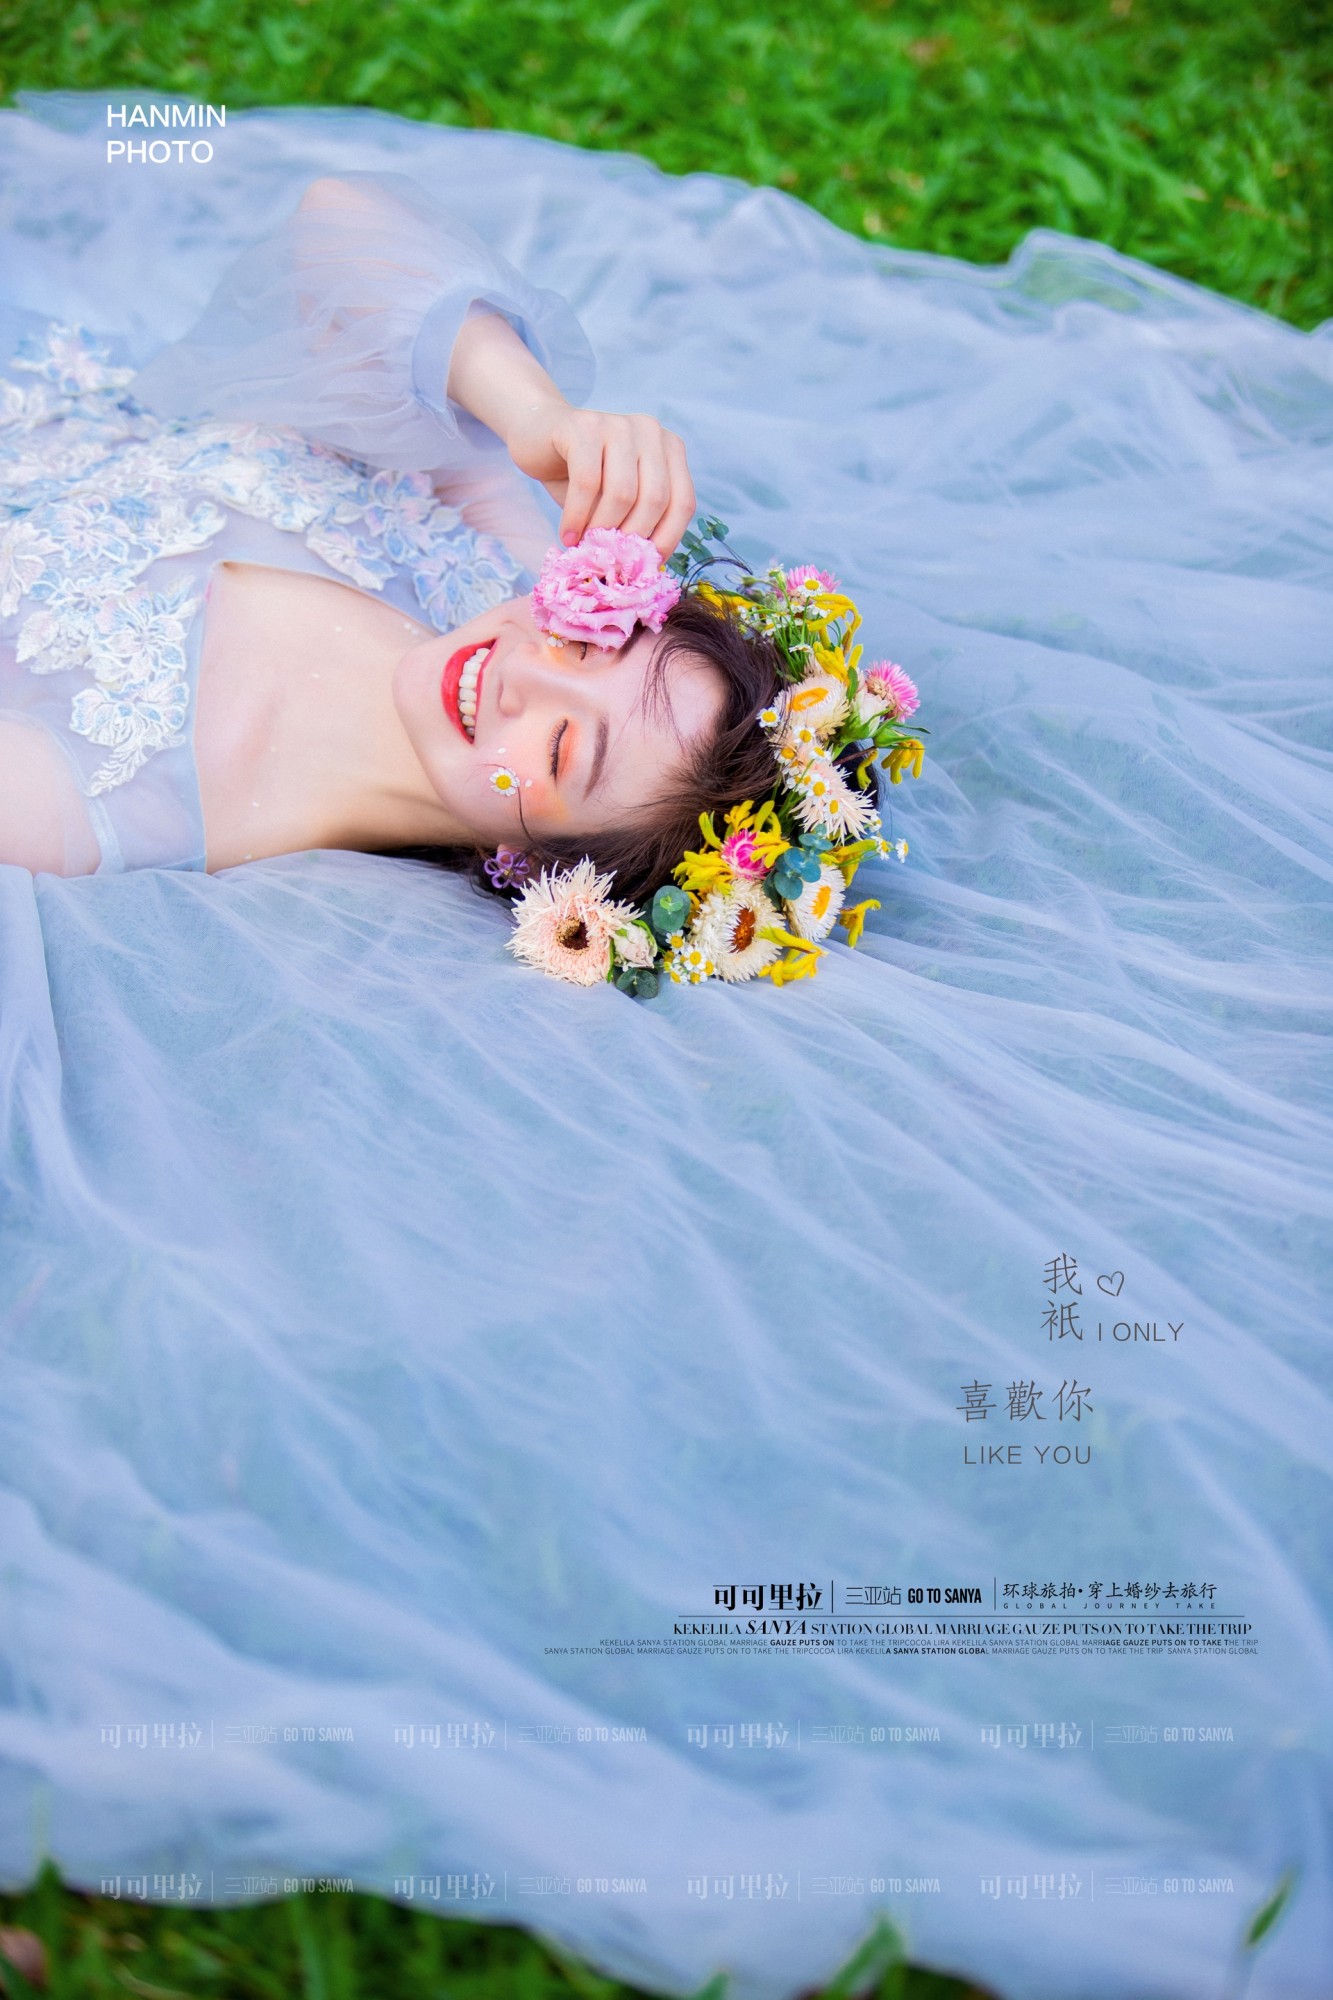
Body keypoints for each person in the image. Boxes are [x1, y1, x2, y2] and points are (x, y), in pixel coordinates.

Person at [0, 169, 787, 902]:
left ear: (540, 864)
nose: (524, 669)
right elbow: (337, 216)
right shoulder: (481, 570)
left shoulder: (122, 806)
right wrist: (533, 415)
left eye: (560, 748)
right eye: (587, 643)